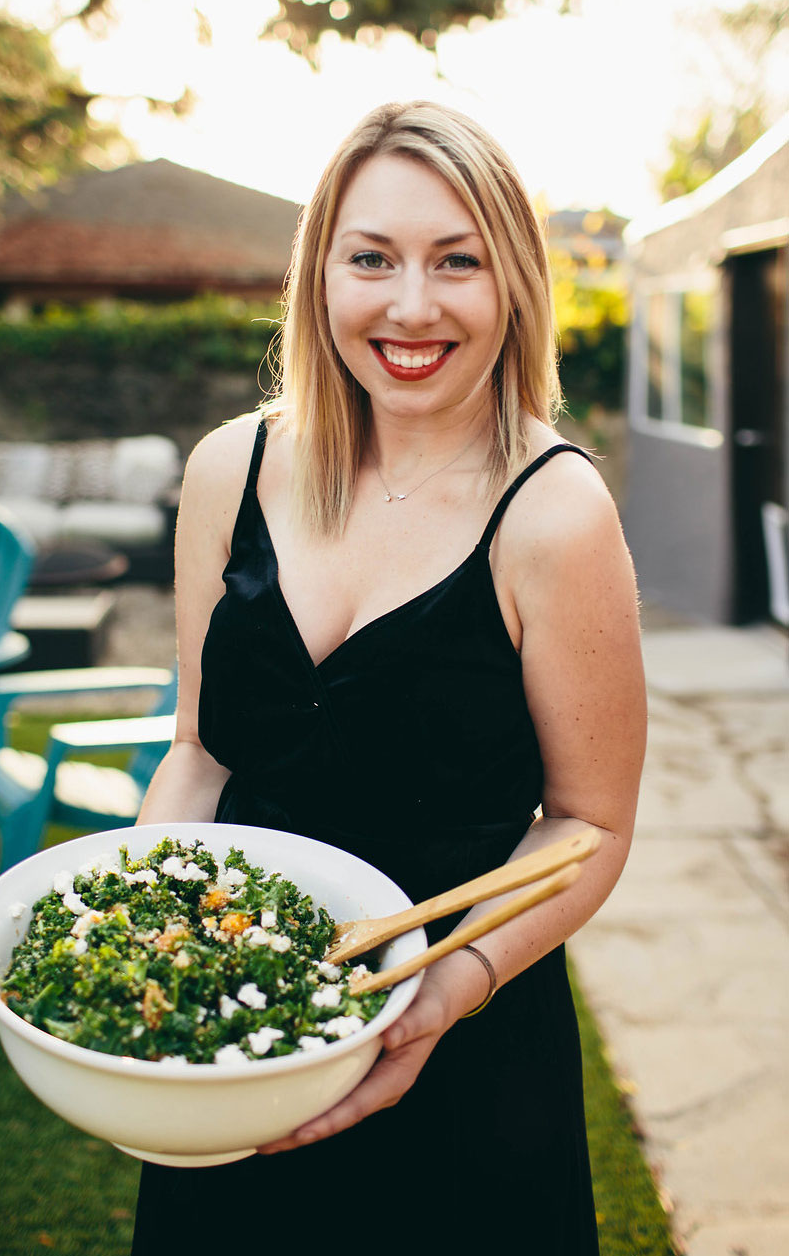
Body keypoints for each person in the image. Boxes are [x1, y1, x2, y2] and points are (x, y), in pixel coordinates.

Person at [131, 100, 646, 1252]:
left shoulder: (553, 513)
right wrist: (155, 933)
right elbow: (200, 752)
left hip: (464, 1069)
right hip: (232, 1039)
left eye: (455, 261)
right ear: (322, 273)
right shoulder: (232, 467)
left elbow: (588, 824)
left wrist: (447, 989)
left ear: (510, 281)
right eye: (373, 258)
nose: (411, 306)